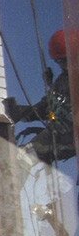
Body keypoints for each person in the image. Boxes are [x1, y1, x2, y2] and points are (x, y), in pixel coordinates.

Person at [4, 28, 78, 164]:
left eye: (66, 61)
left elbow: (59, 108)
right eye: (60, 62)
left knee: (25, 156)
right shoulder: (63, 80)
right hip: (62, 133)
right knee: (24, 155)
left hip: (68, 136)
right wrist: (51, 87)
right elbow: (50, 107)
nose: (64, 66)